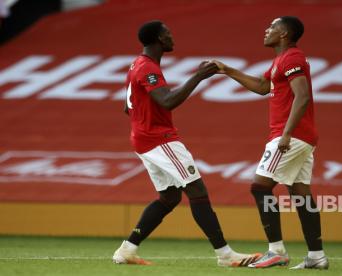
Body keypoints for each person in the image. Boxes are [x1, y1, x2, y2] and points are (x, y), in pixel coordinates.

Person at [112, 20, 261, 267]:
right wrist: (199, 76)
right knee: (197, 192)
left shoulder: (136, 65)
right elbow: (168, 101)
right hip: (160, 140)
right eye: (168, 33)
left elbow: (127, 107)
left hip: (143, 139)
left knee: (169, 198)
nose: (172, 37)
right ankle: (226, 255)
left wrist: (144, 120)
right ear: (159, 39)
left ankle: (126, 251)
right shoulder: (147, 68)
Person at [212, 16, 329, 269]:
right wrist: (227, 70)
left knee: (259, 187)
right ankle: (317, 256)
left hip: (291, 135)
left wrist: (286, 133)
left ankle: (276, 251)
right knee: (300, 195)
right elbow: (263, 86)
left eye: (273, 27)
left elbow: (303, 96)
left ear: (285, 34)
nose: (267, 30)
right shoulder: (281, 60)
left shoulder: (292, 58)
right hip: (302, 135)